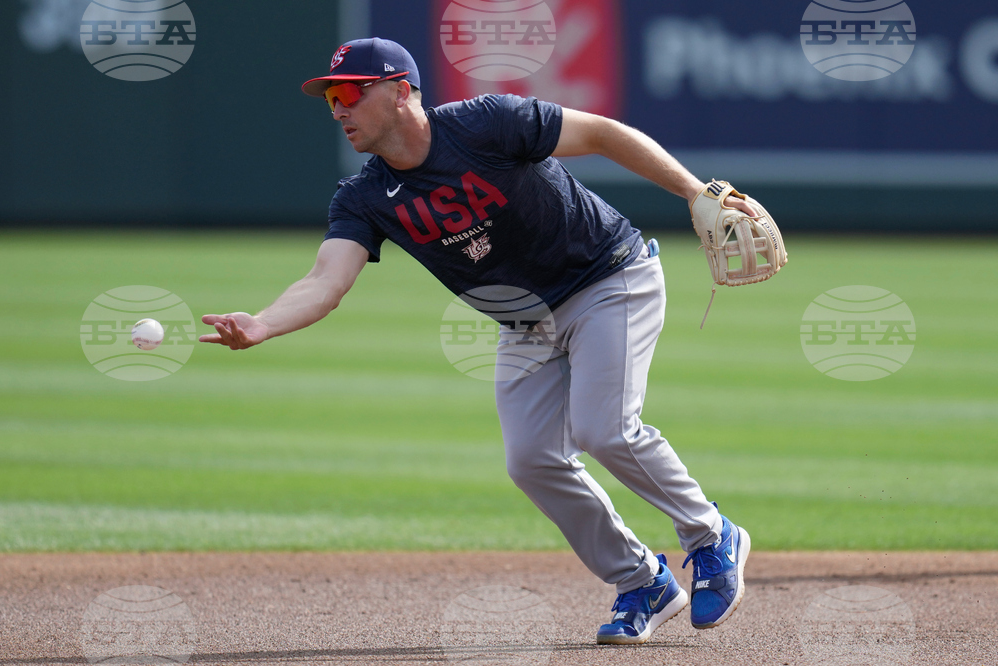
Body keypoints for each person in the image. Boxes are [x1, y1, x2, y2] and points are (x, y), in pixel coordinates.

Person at [200, 37, 754, 645]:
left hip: (607, 278)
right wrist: (262, 323)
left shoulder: (487, 123)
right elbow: (325, 281)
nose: (338, 108)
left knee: (604, 428)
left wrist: (697, 193)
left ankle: (709, 535)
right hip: (524, 323)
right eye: (331, 96)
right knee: (532, 461)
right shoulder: (362, 196)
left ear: (402, 91)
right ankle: (641, 581)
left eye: (351, 93)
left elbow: (600, 133)